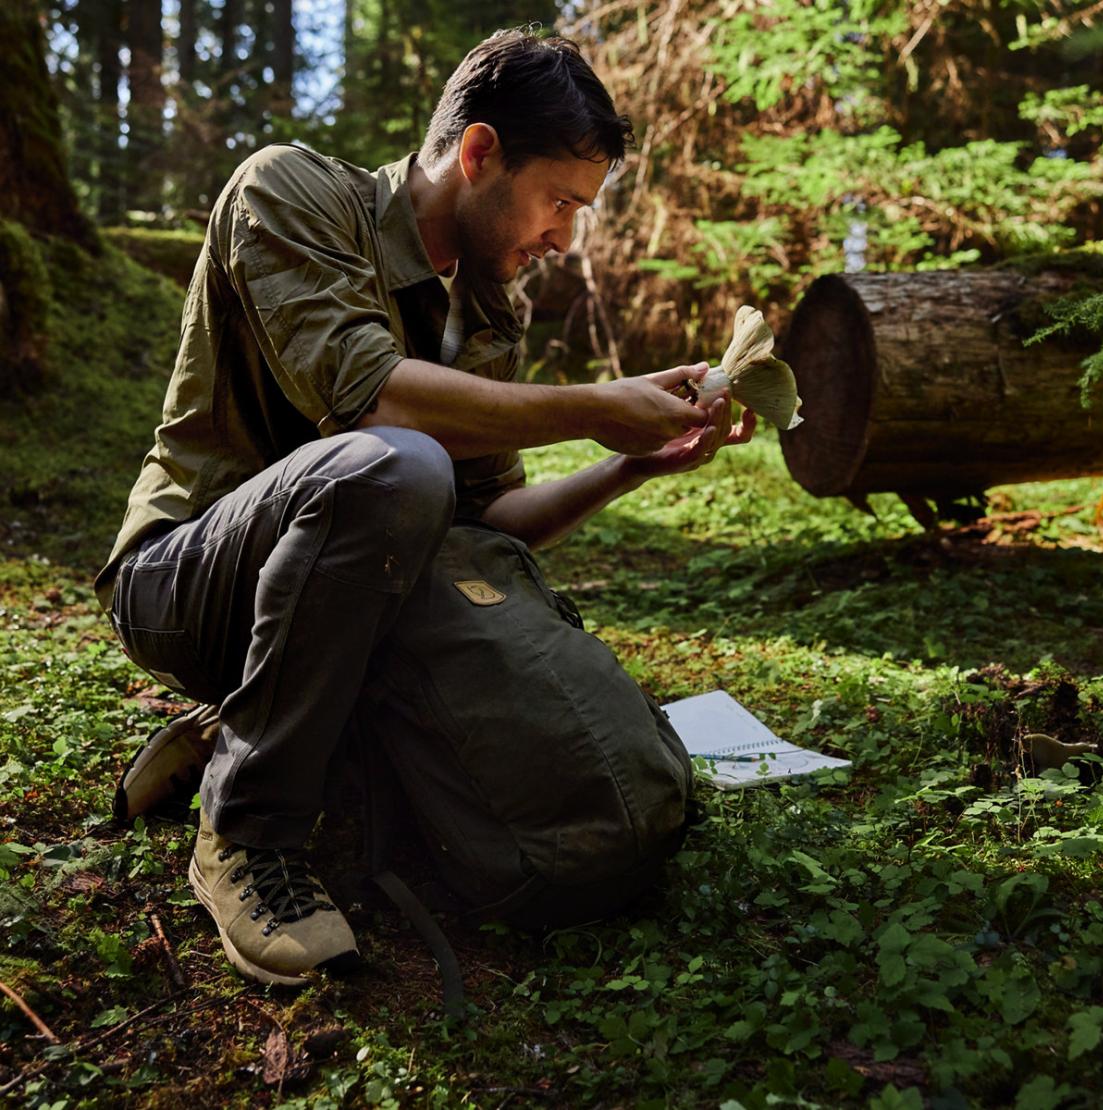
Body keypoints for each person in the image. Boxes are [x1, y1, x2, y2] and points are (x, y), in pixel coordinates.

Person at [100, 27, 755, 987]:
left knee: (444, 542)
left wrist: (635, 465)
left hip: (343, 592)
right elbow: (369, 402)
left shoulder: (490, 308)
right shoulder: (290, 191)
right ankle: (247, 833)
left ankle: (255, 725)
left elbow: (490, 519)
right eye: (559, 201)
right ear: (479, 153)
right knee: (395, 467)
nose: (565, 237)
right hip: (181, 581)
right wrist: (592, 408)